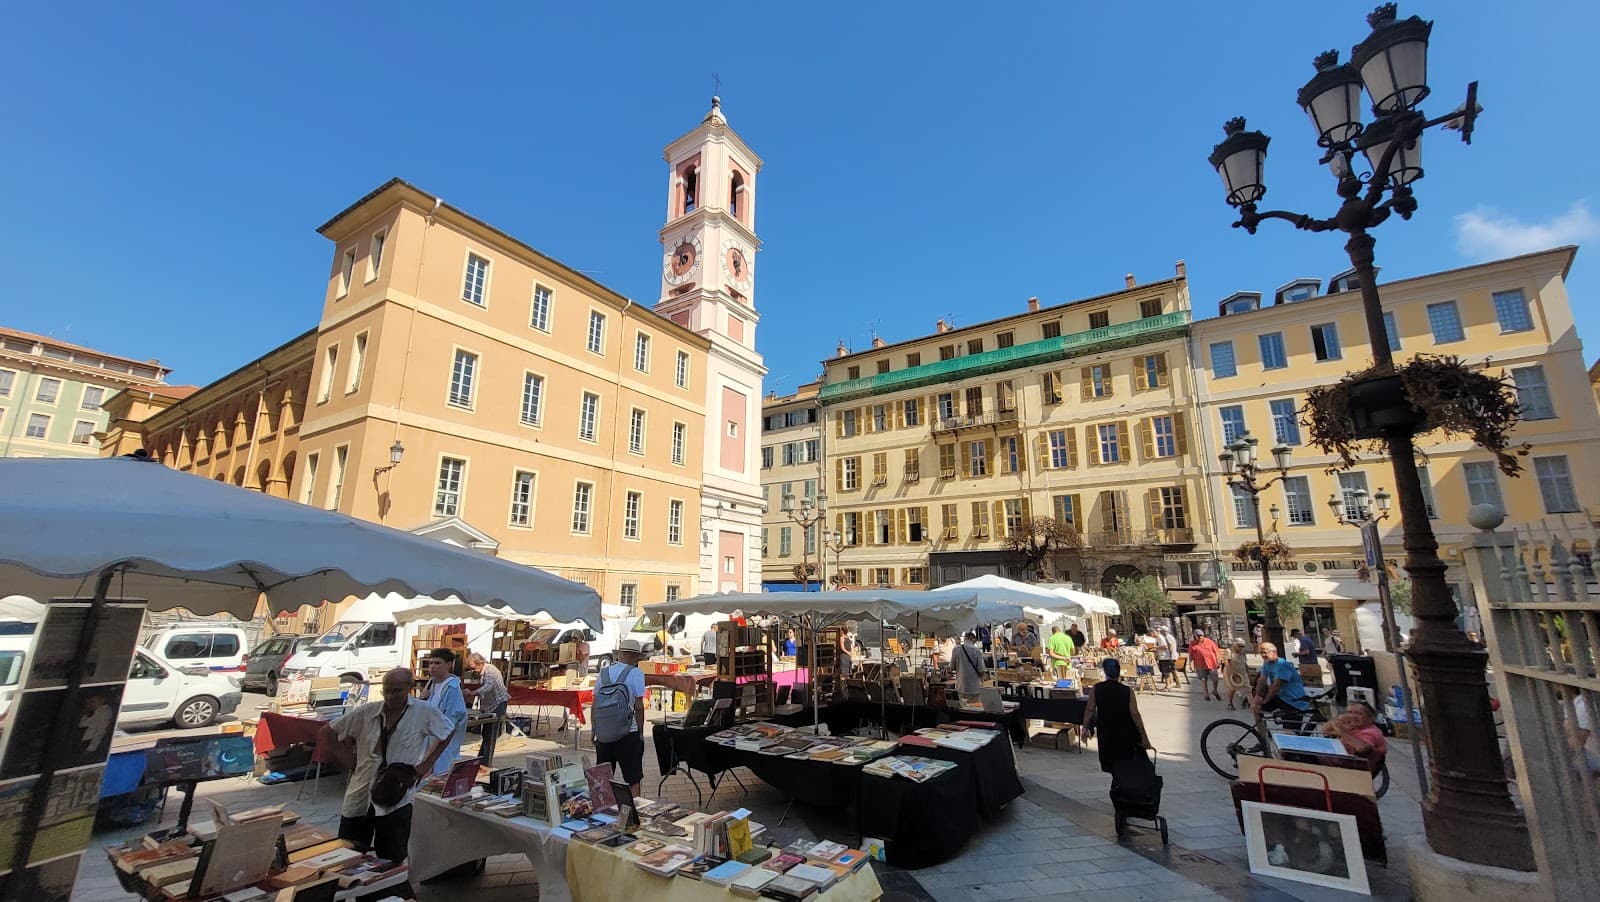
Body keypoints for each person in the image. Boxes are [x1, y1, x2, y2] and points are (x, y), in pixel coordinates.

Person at [321, 668, 453, 863]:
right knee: (350, 853)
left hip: (396, 795)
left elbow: (447, 730)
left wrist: (426, 764)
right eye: (387, 690)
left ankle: (388, 891)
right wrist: (348, 759)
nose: (391, 696)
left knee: (392, 855)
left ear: (409, 688)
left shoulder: (423, 712)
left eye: (397, 691)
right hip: (362, 790)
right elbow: (327, 732)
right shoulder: (368, 711)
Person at [595, 639, 647, 796]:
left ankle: (603, 812)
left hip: (604, 734)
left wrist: (594, 729)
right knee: (633, 779)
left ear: (619, 654)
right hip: (627, 733)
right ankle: (635, 812)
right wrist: (640, 731)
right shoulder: (636, 673)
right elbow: (639, 706)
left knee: (602, 779)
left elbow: (594, 703)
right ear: (635, 656)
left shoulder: (603, 673)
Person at [1083, 658, 1152, 774]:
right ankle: (1123, 785)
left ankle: (1117, 786)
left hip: (1106, 732)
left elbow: (1090, 709)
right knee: (1125, 763)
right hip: (1125, 732)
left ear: (1104, 672)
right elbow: (1135, 714)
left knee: (1111, 763)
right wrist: (1143, 736)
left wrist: (1085, 727)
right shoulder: (1127, 690)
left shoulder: (1097, 688)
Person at [422, 648, 469, 775]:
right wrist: (420, 700)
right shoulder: (431, 684)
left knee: (440, 777)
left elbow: (449, 723)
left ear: (448, 665)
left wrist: (431, 753)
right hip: (428, 741)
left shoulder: (452, 688)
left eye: (437, 663)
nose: (432, 667)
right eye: (431, 663)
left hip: (443, 747)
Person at [463, 652, 510, 766]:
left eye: (473, 668)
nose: (473, 671)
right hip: (490, 706)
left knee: (490, 736)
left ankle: (485, 763)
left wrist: (473, 693)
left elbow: (488, 686)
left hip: (497, 705)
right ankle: (481, 760)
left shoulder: (490, 671)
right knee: (486, 735)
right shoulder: (485, 672)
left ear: (480, 663)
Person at [1322, 700, 1387, 772]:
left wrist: (1341, 732)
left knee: (1309, 758)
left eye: (1358, 713)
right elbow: (1326, 730)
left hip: (1349, 768)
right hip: (1334, 762)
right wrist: (1338, 720)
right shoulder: (1354, 727)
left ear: (1371, 718)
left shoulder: (1371, 732)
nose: (1353, 716)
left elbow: (1362, 748)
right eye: (1350, 712)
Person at [1252, 641, 1310, 721]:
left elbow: (1276, 686)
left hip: (1294, 700)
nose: (1263, 655)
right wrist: (1257, 696)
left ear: (1274, 652)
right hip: (1281, 697)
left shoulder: (1283, 665)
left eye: (1265, 653)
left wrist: (1266, 700)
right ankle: (1262, 732)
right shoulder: (1267, 663)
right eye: (1261, 653)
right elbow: (1262, 680)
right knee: (1256, 707)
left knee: (1289, 731)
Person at [1188, 629, 1222, 701]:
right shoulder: (1192, 644)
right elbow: (1190, 655)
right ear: (1195, 636)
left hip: (1211, 663)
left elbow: (1216, 651)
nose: (1200, 637)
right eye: (1198, 636)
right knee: (1203, 679)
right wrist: (1190, 664)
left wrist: (1218, 661)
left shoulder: (1209, 641)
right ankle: (1206, 695)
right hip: (1200, 664)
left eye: (1201, 635)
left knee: (1215, 679)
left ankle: (1215, 691)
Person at [951, 633, 984, 700]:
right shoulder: (976, 651)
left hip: (960, 687)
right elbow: (981, 670)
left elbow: (952, 667)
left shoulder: (956, 649)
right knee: (973, 708)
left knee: (962, 708)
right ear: (972, 638)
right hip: (974, 688)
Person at [1222, 639, 1252, 710]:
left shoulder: (1243, 652)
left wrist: (1248, 672)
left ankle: (1252, 704)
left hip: (1242, 672)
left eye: (1242, 646)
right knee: (1232, 688)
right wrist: (1232, 672)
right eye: (1239, 646)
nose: (1241, 648)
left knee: (1247, 689)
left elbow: (1245, 663)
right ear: (1234, 645)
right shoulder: (1229, 651)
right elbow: (1226, 663)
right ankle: (1230, 703)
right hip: (1231, 672)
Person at [1155, 626, 1179, 690]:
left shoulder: (1167, 637)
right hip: (1172, 656)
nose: (1159, 632)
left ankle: (1171, 684)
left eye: (1160, 631)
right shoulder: (1169, 636)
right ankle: (1177, 683)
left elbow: (1170, 647)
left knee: (1169, 670)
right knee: (1173, 670)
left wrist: (1170, 656)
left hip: (1170, 656)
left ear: (1164, 631)